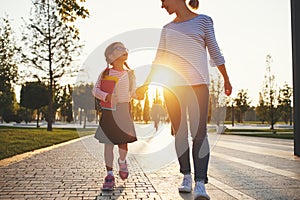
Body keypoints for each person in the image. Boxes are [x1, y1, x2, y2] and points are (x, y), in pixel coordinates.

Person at [136, 0, 232, 199]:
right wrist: (146, 84)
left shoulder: (204, 21)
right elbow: (159, 59)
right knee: (180, 133)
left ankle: (200, 183)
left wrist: (226, 78)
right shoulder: (167, 29)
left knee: (199, 134)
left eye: (164, 1)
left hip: (198, 86)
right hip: (172, 89)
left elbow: (214, 50)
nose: (162, 6)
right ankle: (186, 176)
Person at [92, 42, 138, 191]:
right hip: (109, 112)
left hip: (123, 111)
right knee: (108, 144)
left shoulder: (130, 74)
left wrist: (139, 95)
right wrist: (107, 96)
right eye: (119, 49)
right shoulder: (105, 73)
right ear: (111, 56)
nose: (124, 50)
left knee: (123, 142)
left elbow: (133, 93)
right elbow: (95, 90)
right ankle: (109, 174)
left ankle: (122, 161)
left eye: (125, 48)